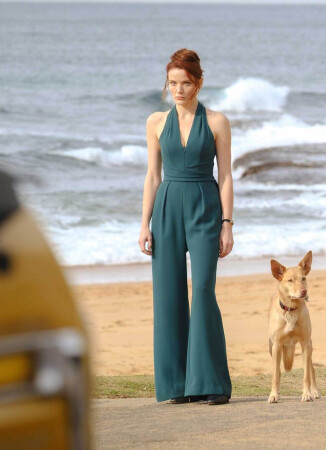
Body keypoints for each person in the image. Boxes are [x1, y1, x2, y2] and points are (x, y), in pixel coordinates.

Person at [138, 48, 234, 405]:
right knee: (168, 294)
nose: (178, 90)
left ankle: (211, 383)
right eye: (173, 83)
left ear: (199, 83)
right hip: (166, 209)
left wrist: (227, 224)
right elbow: (152, 176)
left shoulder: (217, 122)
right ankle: (177, 386)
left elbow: (226, 176)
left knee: (204, 290)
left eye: (186, 83)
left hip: (205, 207)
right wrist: (144, 224)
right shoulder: (155, 122)